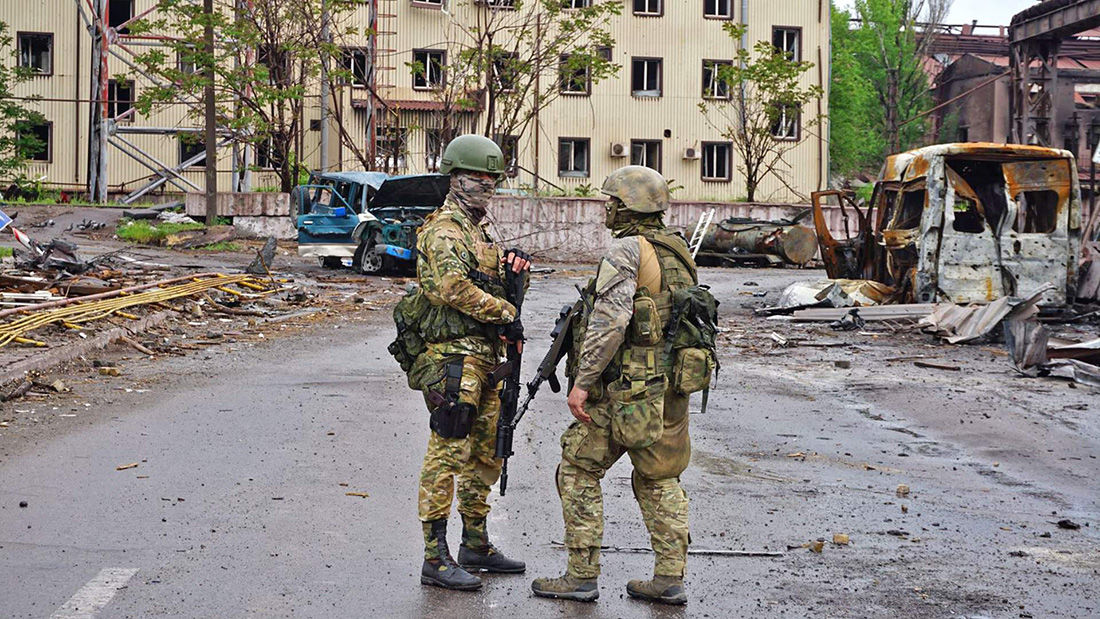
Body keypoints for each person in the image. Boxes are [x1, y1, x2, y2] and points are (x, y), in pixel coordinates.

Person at [531, 165, 701, 605]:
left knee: (577, 467)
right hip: (670, 387)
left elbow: (610, 323)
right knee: (658, 478)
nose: (605, 208)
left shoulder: (627, 250)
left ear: (627, 207)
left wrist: (583, 383)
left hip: (626, 391)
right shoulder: (678, 250)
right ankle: (669, 577)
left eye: (611, 201)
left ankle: (581, 575)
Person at [411, 134, 530, 591]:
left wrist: (514, 275)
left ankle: (475, 543)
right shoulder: (444, 230)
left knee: (486, 451)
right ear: (456, 180)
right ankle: (435, 557)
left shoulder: (479, 233)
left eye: (491, 181)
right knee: (447, 452)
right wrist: (506, 312)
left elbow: (491, 285)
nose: (488, 189)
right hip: (452, 360)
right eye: (480, 180)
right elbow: (452, 289)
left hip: (485, 359)